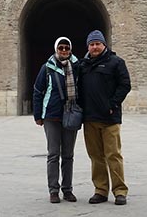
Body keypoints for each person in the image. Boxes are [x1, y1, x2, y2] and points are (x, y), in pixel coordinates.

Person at [79, 29, 131, 206]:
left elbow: (125, 85)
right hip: (90, 119)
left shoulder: (116, 62)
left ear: (104, 45)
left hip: (109, 119)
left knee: (113, 155)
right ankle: (100, 190)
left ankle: (120, 191)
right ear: (88, 46)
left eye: (97, 44)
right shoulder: (83, 65)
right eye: (91, 44)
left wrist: (113, 104)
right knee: (95, 156)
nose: (94, 47)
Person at [33, 36, 80, 203]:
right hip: (52, 116)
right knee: (53, 154)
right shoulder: (46, 68)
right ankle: (53, 190)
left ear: (71, 49)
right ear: (56, 49)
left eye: (67, 47)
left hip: (71, 114)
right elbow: (38, 91)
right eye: (61, 47)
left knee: (68, 155)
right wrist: (38, 115)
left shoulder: (77, 67)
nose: (64, 50)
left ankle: (68, 189)